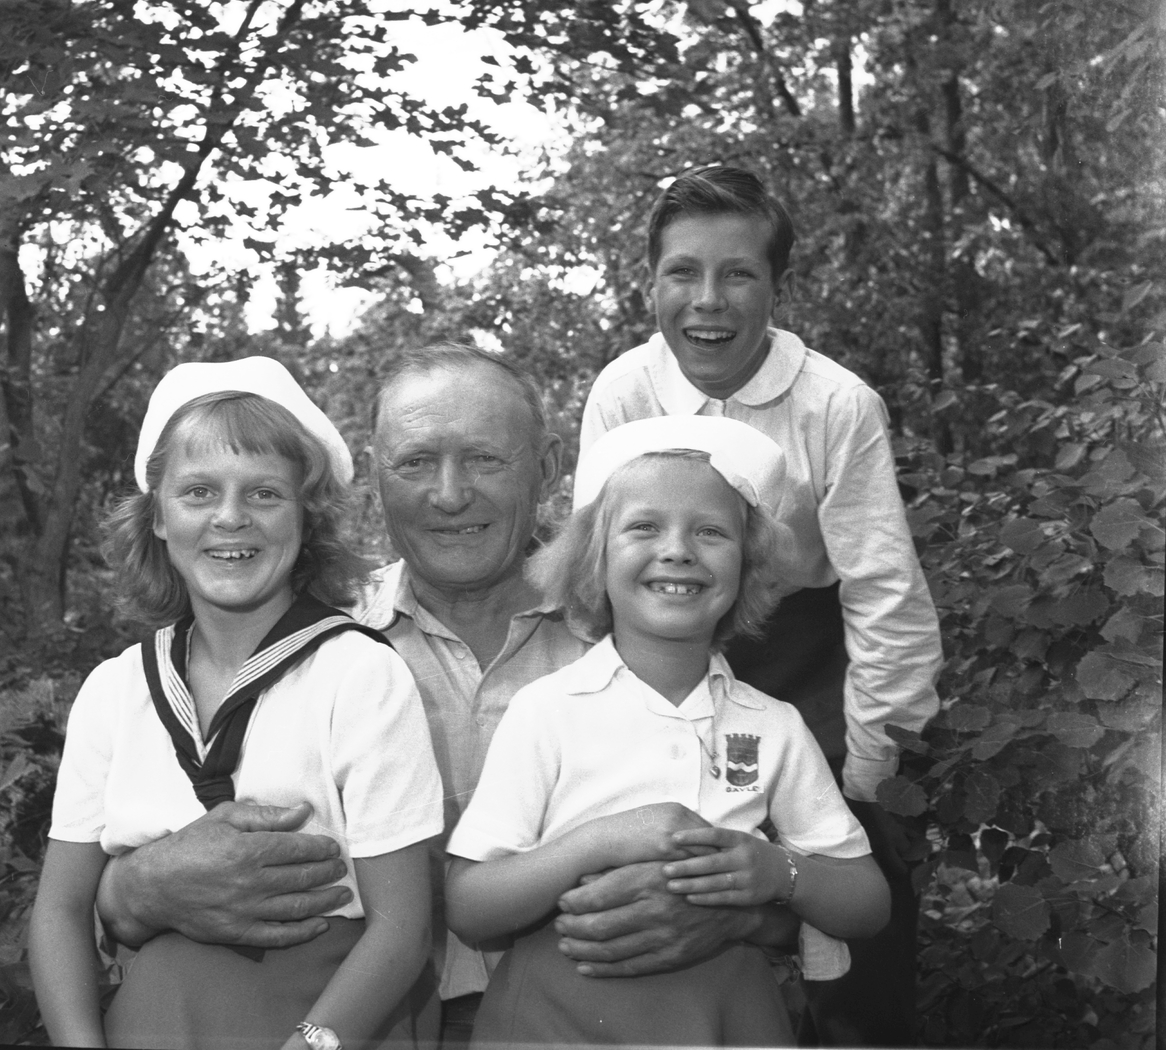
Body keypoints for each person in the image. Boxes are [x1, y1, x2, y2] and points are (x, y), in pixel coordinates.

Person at [90, 346, 803, 1045]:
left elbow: (783, 865)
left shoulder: (652, 637)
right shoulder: (304, 649)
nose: (451, 493)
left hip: (589, 1019)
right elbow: (165, 853)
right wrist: (131, 890)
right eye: (416, 462)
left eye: (485, 459)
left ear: (549, 468)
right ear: (375, 478)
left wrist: (743, 915)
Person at [577, 165, 943, 1046]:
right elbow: (593, 574)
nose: (708, 301)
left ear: (777, 288)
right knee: (676, 888)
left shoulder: (835, 404)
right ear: (650, 282)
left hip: (808, 660)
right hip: (662, 658)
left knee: (854, 913)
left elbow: (884, 593)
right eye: (682, 272)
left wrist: (870, 777)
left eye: (737, 273)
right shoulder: (624, 393)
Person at [30, 358, 444, 1050]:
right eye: (198, 492)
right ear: (158, 518)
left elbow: (402, 928)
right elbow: (60, 912)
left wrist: (310, 1043)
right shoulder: (115, 690)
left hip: (326, 1024)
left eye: (264, 494)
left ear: (306, 517)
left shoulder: (359, 676)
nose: (229, 517)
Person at [446, 416, 890, 1047]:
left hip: (730, 1022)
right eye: (645, 527)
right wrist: (598, 841)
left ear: (749, 564)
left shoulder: (773, 725)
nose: (678, 550)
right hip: (557, 1021)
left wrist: (778, 872)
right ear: (594, 558)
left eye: (711, 531)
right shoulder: (546, 711)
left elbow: (867, 903)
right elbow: (469, 908)